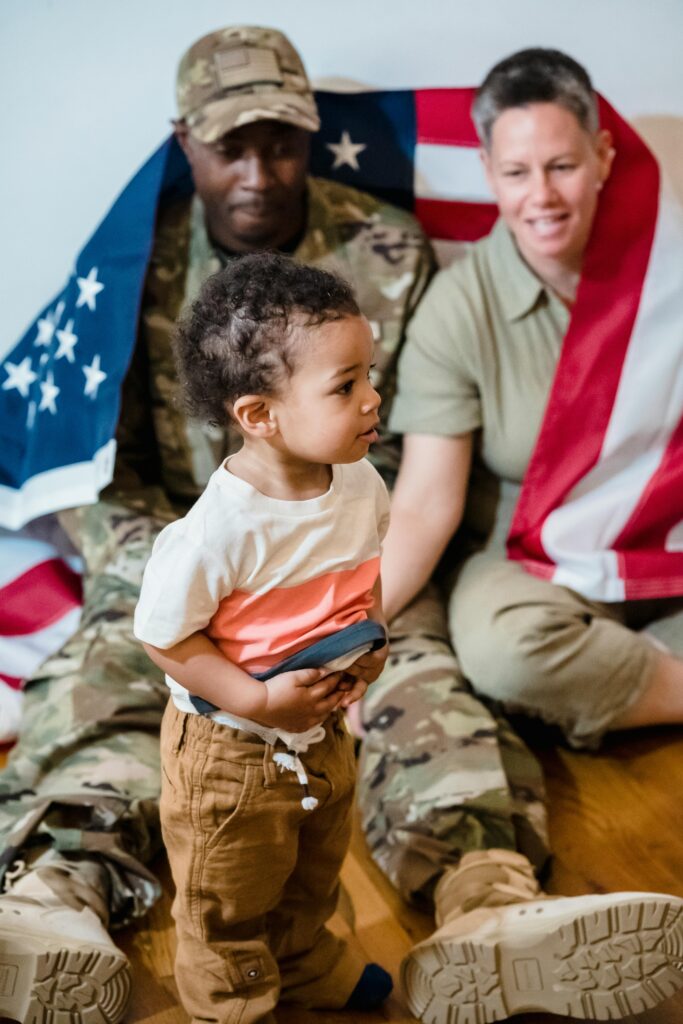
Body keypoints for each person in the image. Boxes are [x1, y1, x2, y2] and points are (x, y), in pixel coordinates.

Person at [0, 23, 438, 1024]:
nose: (257, 170)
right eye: (228, 144)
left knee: (424, 688)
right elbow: (90, 464)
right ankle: (53, 899)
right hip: (186, 560)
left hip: (349, 573)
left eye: (280, 140)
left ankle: (476, 895)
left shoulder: (387, 253)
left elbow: (413, 452)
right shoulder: (128, 267)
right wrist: (173, 582)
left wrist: (363, 618)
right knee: (101, 679)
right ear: (183, 143)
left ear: (311, 135)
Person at [366, 47, 683, 1023]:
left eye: (558, 164)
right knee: (501, 649)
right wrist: (339, 628)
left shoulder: (664, 270)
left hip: (664, 540)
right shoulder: (458, 310)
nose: (539, 195)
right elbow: (423, 503)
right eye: (513, 171)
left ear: (598, 156)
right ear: (488, 174)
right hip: (530, 552)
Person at [134, 253, 393, 1022]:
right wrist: (256, 697)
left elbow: (363, 574)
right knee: (230, 889)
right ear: (259, 415)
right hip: (229, 751)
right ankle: (230, 1000)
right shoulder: (219, 530)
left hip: (318, 728)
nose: (373, 398)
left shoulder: (359, 481)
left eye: (368, 374)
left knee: (312, 868)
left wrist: (369, 642)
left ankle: (305, 962)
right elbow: (165, 639)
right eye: (345, 386)